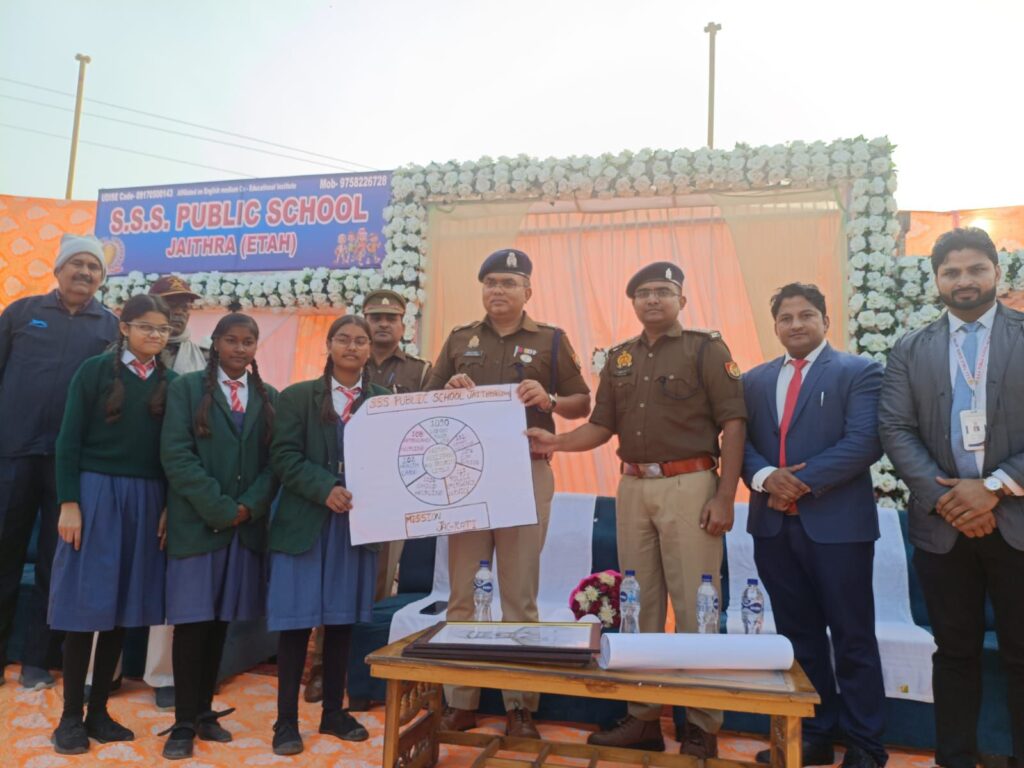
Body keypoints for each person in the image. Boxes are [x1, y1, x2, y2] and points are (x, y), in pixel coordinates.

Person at [527, 261, 746, 758]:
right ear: (633, 302)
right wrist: (556, 442)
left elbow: (734, 423)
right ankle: (643, 717)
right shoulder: (619, 358)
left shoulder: (706, 349)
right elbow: (601, 426)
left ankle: (701, 724)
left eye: (663, 291)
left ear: (681, 300)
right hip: (632, 488)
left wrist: (724, 496)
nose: (652, 300)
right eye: (644, 292)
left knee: (696, 606)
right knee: (637, 605)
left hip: (690, 485)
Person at [427, 248, 591, 739]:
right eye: (491, 282)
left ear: (528, 291)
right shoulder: (460, 338)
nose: (498, 290)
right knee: (463, 593)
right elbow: (425, 400)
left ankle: (520, 705)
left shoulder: (551, 340)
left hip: (526, 470)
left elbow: (583, 403)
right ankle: (460, 701)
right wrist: (448, 391)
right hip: (468, 476)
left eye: (508, 283)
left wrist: (551, 399)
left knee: (519, 594)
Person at [879, 227, 1024, 768]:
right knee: (955, 651)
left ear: (996, 272)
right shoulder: (911, 348)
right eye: (952, 272)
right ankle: (955, 758)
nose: (964, 280)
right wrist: (950, 502)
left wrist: (993, 488)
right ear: (936, 279)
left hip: (1017, 519)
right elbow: (895, 428)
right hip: (943, 527)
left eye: (976, 269)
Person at [742, 283, 887, 767]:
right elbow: (740, 444)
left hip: (838, 527)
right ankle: (815, 736)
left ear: (826, 320)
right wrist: (766, 477)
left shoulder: (859, 371)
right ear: (776, 326)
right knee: (798, 636)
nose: (796, 324)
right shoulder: (754, 380)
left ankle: (866, 745)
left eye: (806, 315)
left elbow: (864, 442)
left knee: (852, 636)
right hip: (773, 528)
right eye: (786, 318)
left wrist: (796, 484)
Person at [48, 294, 177, 754]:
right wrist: (69, 502)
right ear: (124, 328)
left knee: (122, 607)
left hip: (147, 499)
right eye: (146, 326)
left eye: (163, 329)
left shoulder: (171, 383)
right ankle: (70, 717)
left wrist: (168, 505)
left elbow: (174, 452)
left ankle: (99, 711)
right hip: (96, 494)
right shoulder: (94, 371)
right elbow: (68, 440)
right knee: (86, 607)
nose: (155, 335)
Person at [266, 315, 389, 756]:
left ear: (370, 348)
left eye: (361, 340)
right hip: (305, 521)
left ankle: (333, 712)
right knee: (296, 624)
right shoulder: (298, 397)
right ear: (330, 344)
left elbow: (393, 460)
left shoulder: (383, 402)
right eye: (344, 339)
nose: (352, 347)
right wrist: (325, 489)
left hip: (356, 526)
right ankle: (285, 721)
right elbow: (283, 455)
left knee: (341, 622)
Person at [0, 233, 119, 690]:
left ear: (101, 279)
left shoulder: (109, 328)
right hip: (12, 454)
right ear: (58, 270)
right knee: (4, 553)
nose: (85, 273)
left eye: (94, 268)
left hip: (69, 465)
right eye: (78, 264)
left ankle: (37, 661)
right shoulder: (21, 313)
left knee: (56, 563)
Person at [304, 289, 432, 707]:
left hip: (384, 496)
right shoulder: (341, 363)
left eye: (390, 318)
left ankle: (361, 672)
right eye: (375, 317)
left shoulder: (419, 371)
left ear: (403, 325)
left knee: (375, 584)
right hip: (335, 492)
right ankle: (321, 667)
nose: (382, 324)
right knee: (329, 580)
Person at [158, 313, 278, 759]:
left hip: (242, 530)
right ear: (216, 343)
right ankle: (182, 723)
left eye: (248, 342)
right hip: (198, 524)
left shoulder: (268, 396)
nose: (240, 349)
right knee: (192, 624)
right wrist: (220, 508)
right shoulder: (186, 389)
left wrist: (248, 507)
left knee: (220, 623)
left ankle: (204, 712)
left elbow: (275, 463)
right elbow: (176, 453)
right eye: (231, 340)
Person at [141, 275, 208, 708]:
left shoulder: (204, 359)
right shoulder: (119, 356)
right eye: (171, 304)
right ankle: (99, 673)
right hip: (128, 477)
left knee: (173, 578)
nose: (179, 311)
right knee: (115, 571)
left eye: (185, 305)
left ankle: (164, 675)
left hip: (179, 483)